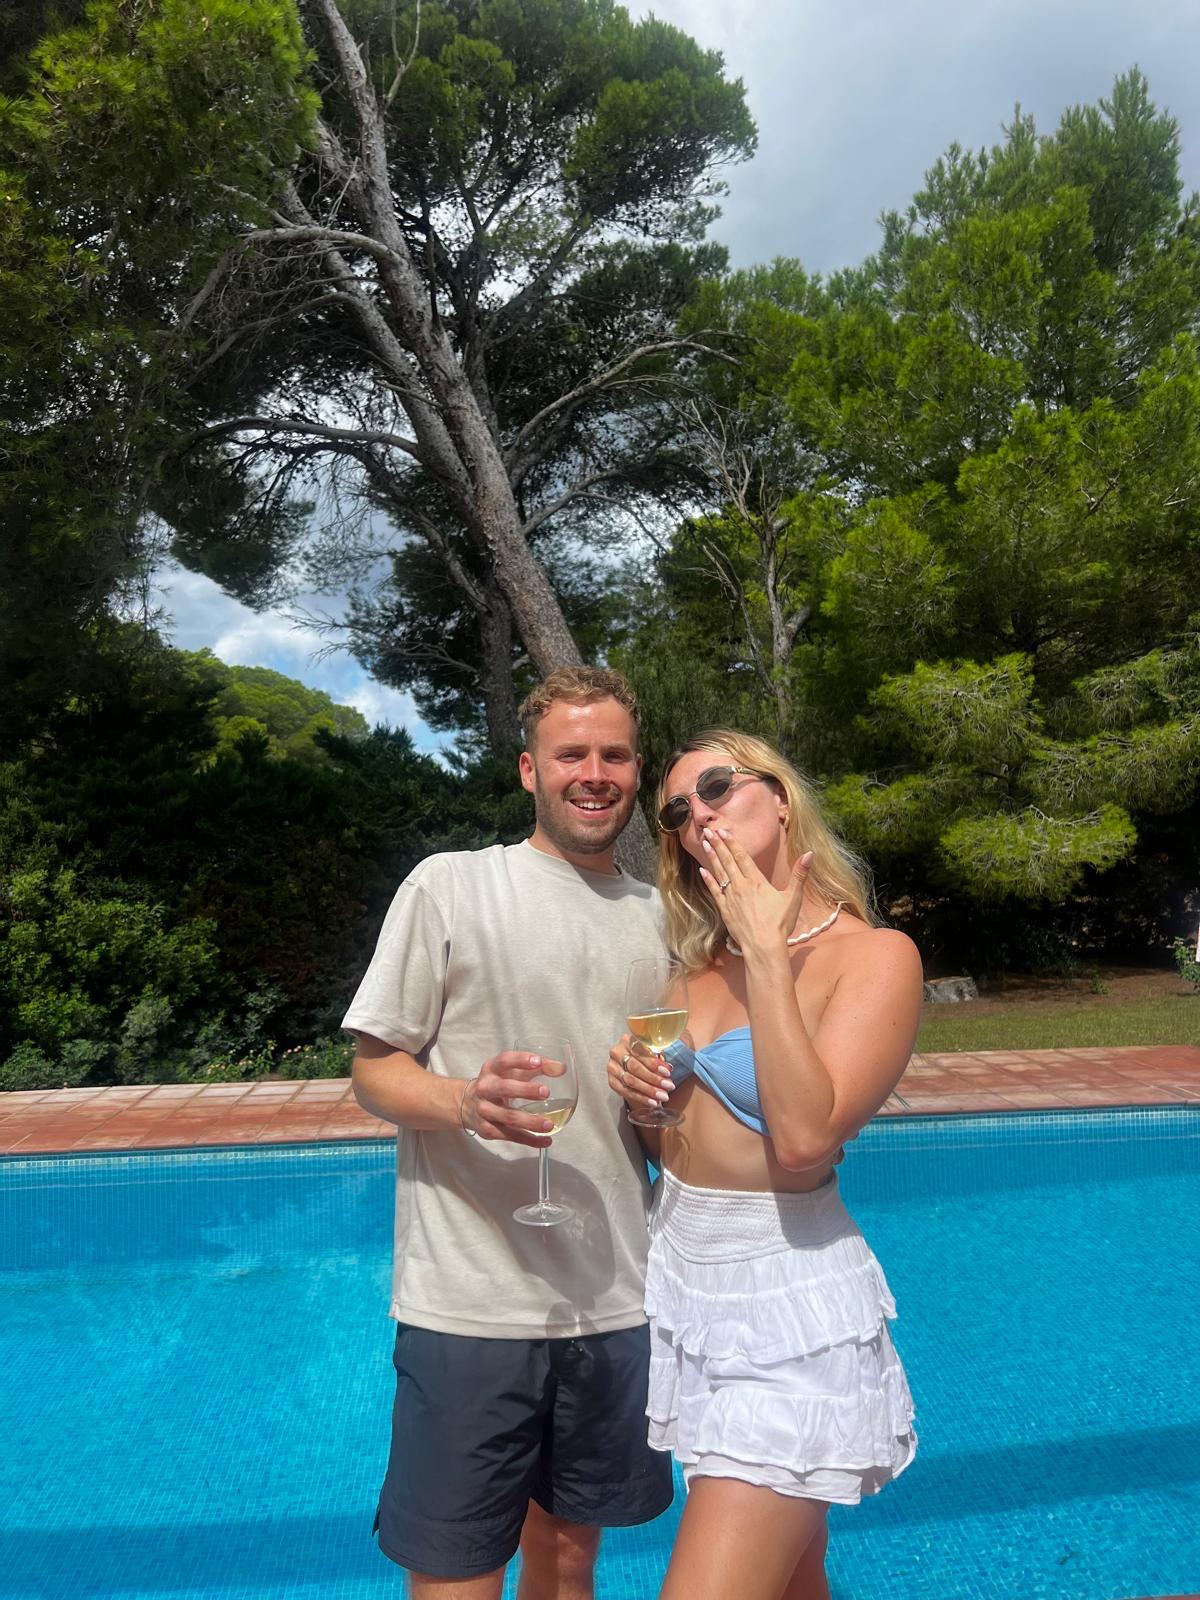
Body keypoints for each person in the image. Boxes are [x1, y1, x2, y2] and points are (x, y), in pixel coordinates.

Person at [342, 666, 674, 1600]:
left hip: (614, 1297)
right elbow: (373, 1069)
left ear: (636, 772)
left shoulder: (661, 921)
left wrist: (660, 1110)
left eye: (613, 754)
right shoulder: (452, 887)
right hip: (470, 1303)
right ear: (531, 770)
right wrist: (460, 1102)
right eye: (572, 754)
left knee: (570, 1561)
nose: (594, 772)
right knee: (457, 1571)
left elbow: (655, 1123)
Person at [607, 730, 923, 1600]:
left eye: (718, 787)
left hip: (789, 1310)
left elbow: (804, 1140)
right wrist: (642, 1100)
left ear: (780, 798)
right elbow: (661, 1145)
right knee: (792, 1584)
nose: (697, 814)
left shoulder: (875, 957)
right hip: (687, 1291)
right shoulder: (688, 972)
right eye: (677, 810)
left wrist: (770, 952)